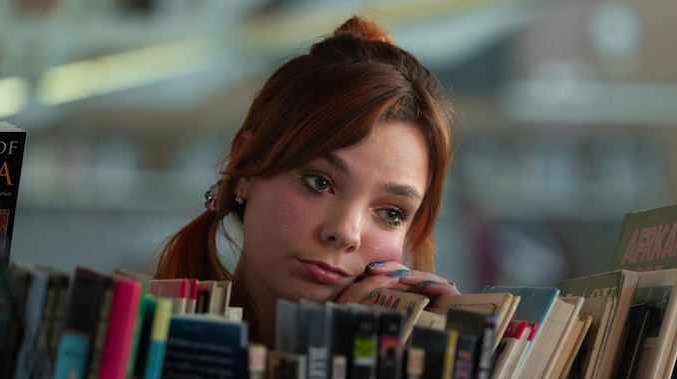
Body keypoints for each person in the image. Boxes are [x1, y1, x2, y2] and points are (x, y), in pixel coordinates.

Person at [154, 15, 460, 346]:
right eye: (319, 183)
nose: (345, 233)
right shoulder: (134, 346)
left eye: (391, 213)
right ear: (245, 167)